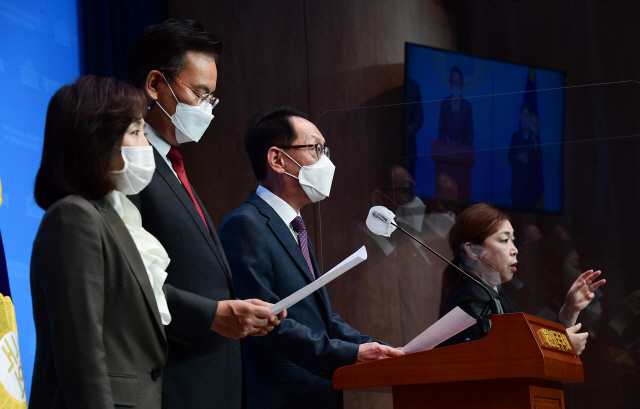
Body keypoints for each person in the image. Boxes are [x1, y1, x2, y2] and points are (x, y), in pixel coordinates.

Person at [126, 20, 282, 409]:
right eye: (199, 93)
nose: (206, 110)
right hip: (172, 383)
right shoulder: (129, 165)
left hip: (213, 384)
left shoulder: (174, 166)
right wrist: (212, 314)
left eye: (212, 99)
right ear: (155, 84)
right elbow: (129, 280)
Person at [219, 105, 404, 409]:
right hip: (280, 397)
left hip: (315, 392)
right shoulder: (246, 225)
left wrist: (376, 349)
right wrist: (348, 354)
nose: (326, 161)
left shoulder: (294, 225)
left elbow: (319, 317)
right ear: (277, 159)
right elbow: (266, 322)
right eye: (317, 149)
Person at [30, 75, 167, 408]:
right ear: (96, 141)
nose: (146, 143)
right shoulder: (73, 217)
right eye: (135, 132)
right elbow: (81, 355)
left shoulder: (112, 211)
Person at [439, 203, 605, 353]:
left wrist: (570, 309)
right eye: (504, 240)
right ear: (473, 251)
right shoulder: (470, 298)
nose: (514, 250)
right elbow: (499, 354)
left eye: (513, 240)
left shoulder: (493, 296)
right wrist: (562, 344)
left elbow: (521, 344)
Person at [509, 102, 544, 208]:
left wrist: (535, 145)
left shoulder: (534, 137)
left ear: (529, 118)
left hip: (531, 185)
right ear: (520, 117)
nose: (525, 119)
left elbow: (539, 157)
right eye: (523, 116)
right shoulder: (516, 136)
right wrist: (519, 157)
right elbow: (510, 158)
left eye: (527, 116)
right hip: (518, 185)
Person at [437, 67, 474, 145]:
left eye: (457, 83)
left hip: (462, 153)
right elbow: (441, 130)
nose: (455, 86)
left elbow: (470, 133)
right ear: (450, 83)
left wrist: (464, 148)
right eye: (453, 83)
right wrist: (446, 139)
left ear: (462, 85)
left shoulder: (467, 106)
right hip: (446, 150)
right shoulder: (444, 103)